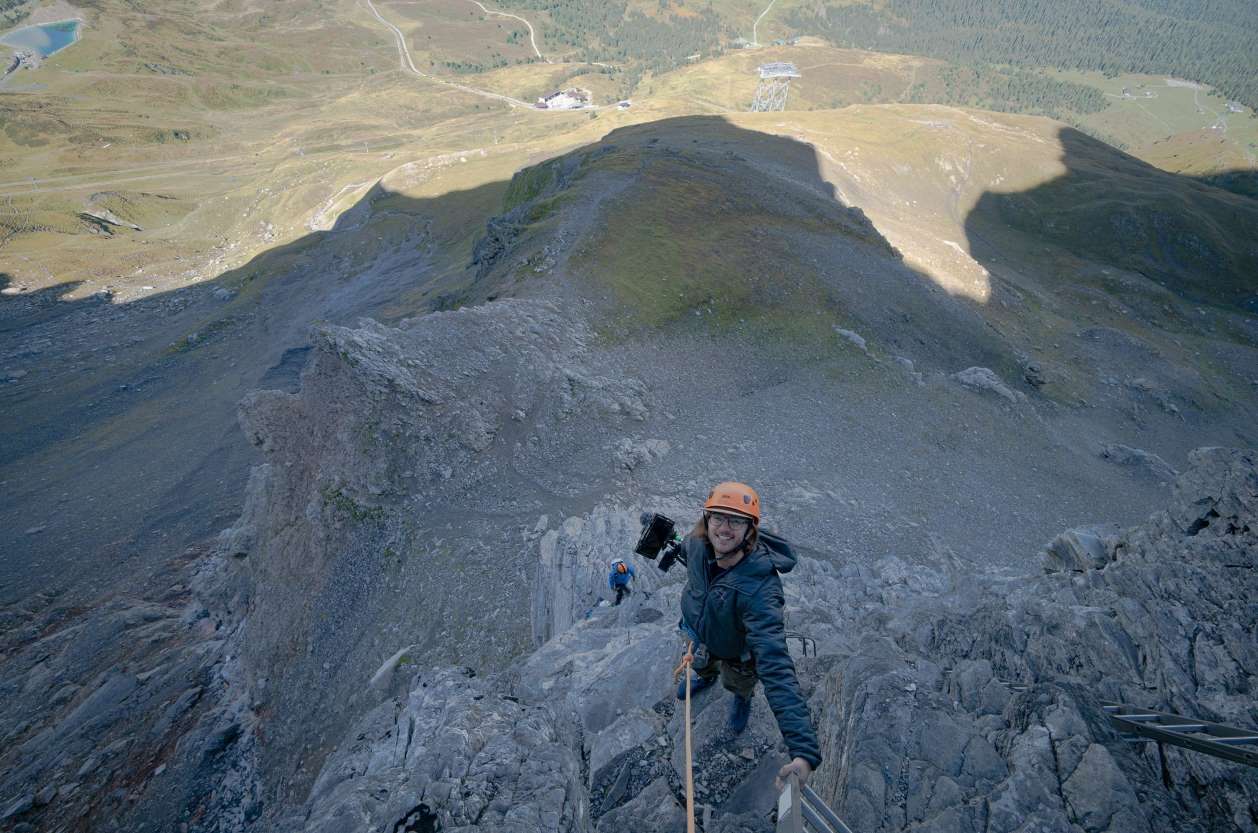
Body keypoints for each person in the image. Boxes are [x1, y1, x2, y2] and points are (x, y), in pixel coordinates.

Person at [675, 481, 821, 787]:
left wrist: (803, 752)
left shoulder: (761, 589)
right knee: (701, 663)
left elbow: (776, 664)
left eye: (736, 520)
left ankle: (742, 697)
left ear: (750, 529)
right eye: (717, 517)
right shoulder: (697, 545)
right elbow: (688, 557)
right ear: (706, 519)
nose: (724, 529)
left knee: (737, 682)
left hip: (737, 652)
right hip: (699, 633)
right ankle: (705, 675)